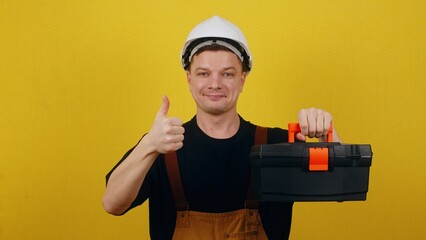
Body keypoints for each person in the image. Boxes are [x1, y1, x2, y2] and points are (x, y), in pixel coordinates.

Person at [102, 16, 342, 240]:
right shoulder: (162, 144)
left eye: (227, 74)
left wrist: (326, 137)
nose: (215, 84)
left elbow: (340, 186)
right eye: (203, 73)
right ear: (189, 79)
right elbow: (112, 204)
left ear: (242, 79)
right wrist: (148, 146)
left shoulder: (278, 146)